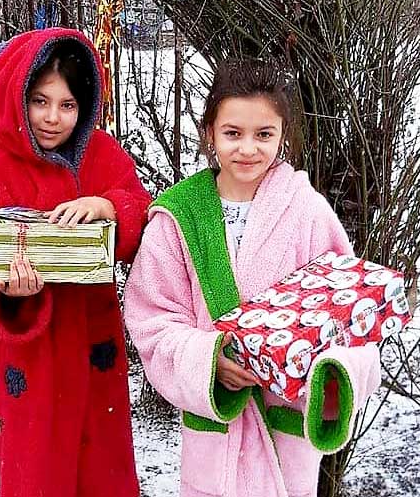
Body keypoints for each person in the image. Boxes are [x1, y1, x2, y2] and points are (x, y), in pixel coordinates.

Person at [123, 58, 383, 497]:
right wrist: (208, 360)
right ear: (209, 133)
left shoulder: (307, 211)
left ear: (283, 136)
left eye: (264, 134)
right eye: (232, 133)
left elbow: (348, 318)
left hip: (285, 434)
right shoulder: (179, 216)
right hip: (215, 437)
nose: (248, 149)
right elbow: (151, 319)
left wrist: (324, 372)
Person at [0, 28, 149, 497]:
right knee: (37, 473)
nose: (52, 118)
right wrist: (7, 295)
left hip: (94, 346)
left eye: (67, 105)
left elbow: (143, 211)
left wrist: (108, 206)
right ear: (20, 97)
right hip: (32, 359)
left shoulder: (102, 155)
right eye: (41, 101)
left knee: (101, 468)